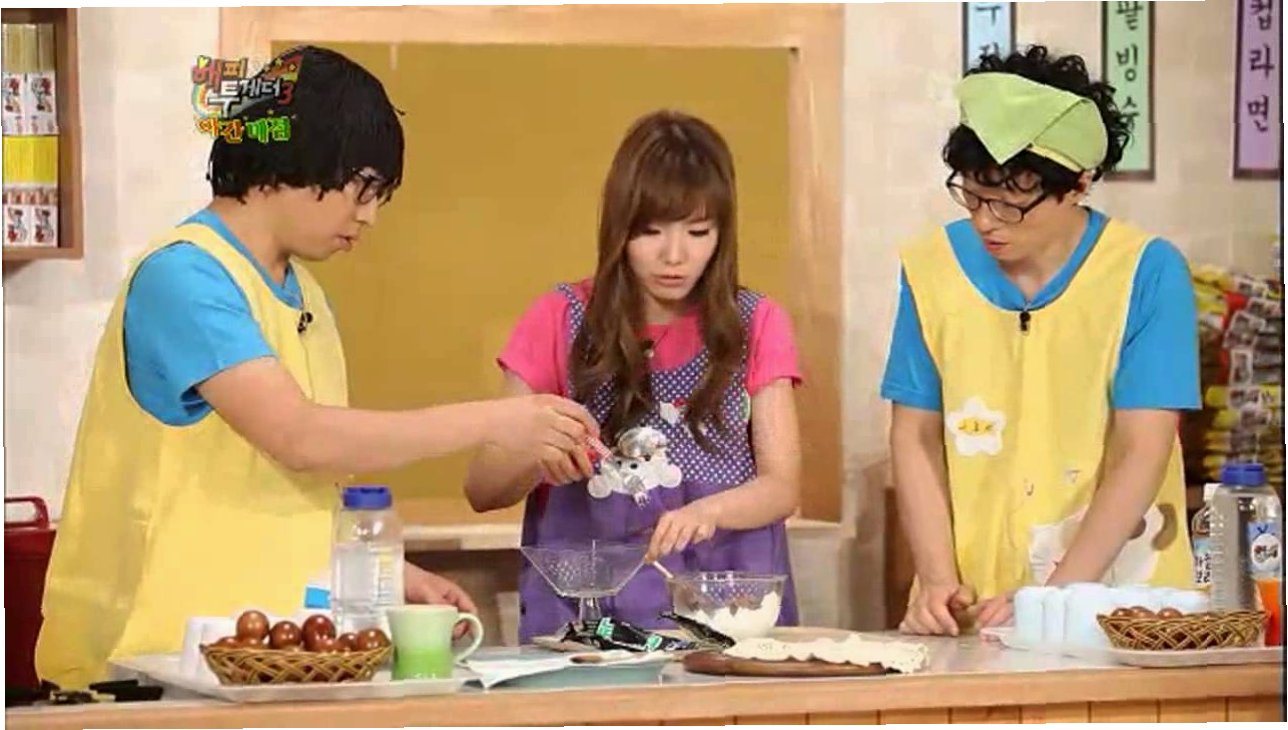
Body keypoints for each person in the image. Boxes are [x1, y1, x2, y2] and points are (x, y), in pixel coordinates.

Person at [36, 45, 598, 688]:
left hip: (267, 658)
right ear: (296, 161)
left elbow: (295, 486)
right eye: (362, 188)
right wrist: (497, 420)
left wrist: (387, 573)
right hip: (150, 660)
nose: (369, 215)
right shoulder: (185, 276)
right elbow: (300, 437)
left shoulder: (304, 294)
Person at [881, 45, 1199, 636]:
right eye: (973, 195)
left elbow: (1142, 449)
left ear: (1078, 185)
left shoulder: (1146, 272)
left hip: (1118, 605)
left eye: (1010, 204)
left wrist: (1053, 600)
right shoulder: (931, 268)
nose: (985, 221)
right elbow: (915, 434)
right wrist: (937, 579)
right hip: (973, 603)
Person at [464, 110, 803, 641]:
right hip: (586, 634)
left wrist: (709, 512)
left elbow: (782, 486)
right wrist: (538, 455)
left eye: (698, 231)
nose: (675, 256)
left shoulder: (756, 323)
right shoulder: (560, 318)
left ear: (723, 232)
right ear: (619, 229)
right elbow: (482, 488)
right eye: (650, 232)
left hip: (728, 622)